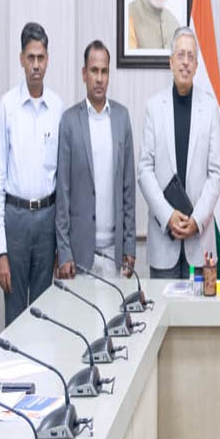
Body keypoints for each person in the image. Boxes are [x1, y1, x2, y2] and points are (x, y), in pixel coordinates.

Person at [0, 22, 64, 325]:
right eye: (30, 58)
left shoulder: (58, 107)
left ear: (48, 60)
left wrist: (61, 244)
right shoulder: (8, 105)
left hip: (47, 220)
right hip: (15, 220)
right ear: (21, 59)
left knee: (45, 316)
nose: (36, 65)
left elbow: (63, 181)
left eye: (41, 58)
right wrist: (1, 252)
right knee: (16, 317)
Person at [138, 27, 220, 278]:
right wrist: (168, 216)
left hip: (200, 242)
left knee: (199, 306)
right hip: (163, 239)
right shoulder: (154, 107)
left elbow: (216, 174)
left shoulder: (210, 109)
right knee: (162, 305)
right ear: (171, 62)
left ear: (196, 66)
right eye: (180, 55)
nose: (185, 62)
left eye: (191, 57)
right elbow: (144, 170)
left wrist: (196, 220)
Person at [57, 41, 136, 279]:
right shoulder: (70, 121)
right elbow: (63, 192)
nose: (99, 78)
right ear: (84, 74)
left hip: (115, 252)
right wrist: (64, 251)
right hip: (79, 253)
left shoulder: (122, 118)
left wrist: (130, 246)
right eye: (94, 71)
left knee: (116, 306)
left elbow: (128, 189)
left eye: (104, 71)